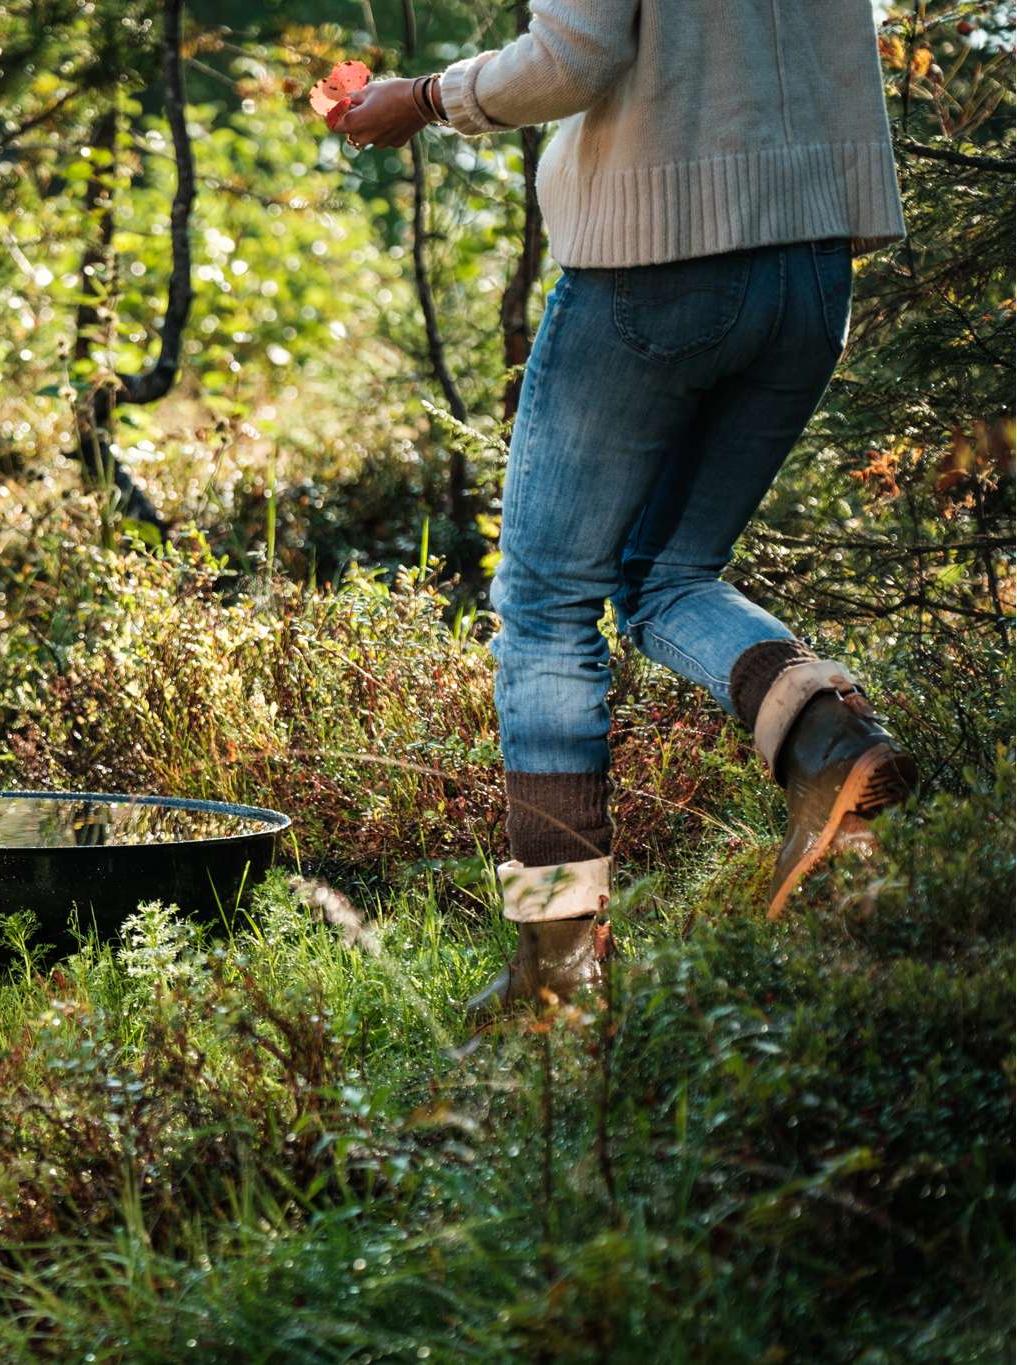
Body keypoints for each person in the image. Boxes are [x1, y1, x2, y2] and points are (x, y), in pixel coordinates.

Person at [334, 0, 918, 1014]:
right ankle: (824, 738)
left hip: (656, 266)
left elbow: (572, 56)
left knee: (547, 608)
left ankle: (556, 966)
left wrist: (423, 100)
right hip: (810, 269)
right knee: (666, 576)